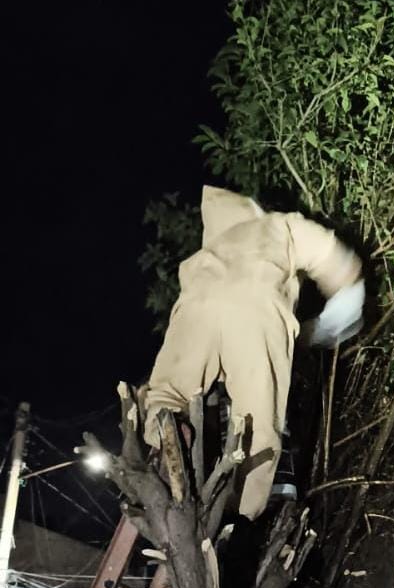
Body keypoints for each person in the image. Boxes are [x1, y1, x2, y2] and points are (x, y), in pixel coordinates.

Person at [144, 185, 364, 519]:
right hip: (256, 311)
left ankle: (159, 438)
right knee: (256, 425)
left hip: (194, 309)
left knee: (168, 392)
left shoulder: (212, 248)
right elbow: (331, 256)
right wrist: (348, 293)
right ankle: (242, 516)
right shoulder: (278, 226)